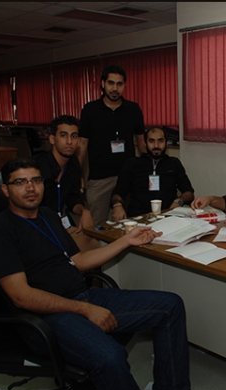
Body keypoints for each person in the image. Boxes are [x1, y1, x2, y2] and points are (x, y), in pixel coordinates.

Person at [0, 157, 191, 390]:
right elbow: (21, 296)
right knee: (110, 357)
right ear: (5, 189)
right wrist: (86, 310)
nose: (30, 187)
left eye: (36, 180)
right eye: (20, 182)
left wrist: (126, 241)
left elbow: (78, 260)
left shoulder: (46, 216)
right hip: (45, 319)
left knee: (170, 306)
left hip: (83, 297)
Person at [77, 65, 146, 225]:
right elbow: (82, 144)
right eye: (111, 83)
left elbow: (141, 142)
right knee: (97, 227)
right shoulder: (90, 109)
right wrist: (77, 173)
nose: (115, 88)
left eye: (119, 84)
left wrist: (146, 171)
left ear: (124, 86)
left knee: (129, 224)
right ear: (102, 84)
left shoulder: (133, 109)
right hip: (100, 178)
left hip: (128, 177)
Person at [33, 115, 99, 252]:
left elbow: (72, 199)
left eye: (74, 136)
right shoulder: (36, 167)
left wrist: (84, 211)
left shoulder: (74, 165)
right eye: (63, 135)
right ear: (52, 139)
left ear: (78, 141)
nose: (69, 141)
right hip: (37, 228)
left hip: (60, 224)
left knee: (95, 246)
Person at [111, 126, 194, 219]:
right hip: (138, 216)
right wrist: (117, 206)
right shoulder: (132, 164)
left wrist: (179, 201)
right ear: (145, 143)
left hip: (167, 215)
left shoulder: (174, 163)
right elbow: (118, 193)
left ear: (166, 143)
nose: (156, 145)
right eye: (151, 141)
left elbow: (189, 193)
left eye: (160, 141)